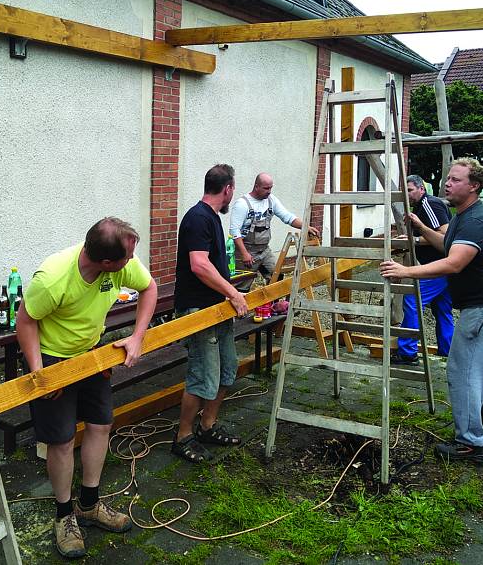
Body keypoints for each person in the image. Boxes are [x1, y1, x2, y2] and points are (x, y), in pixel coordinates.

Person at [16, 218, 157, 559]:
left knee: (100, 424)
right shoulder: (52, 279)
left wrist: (138, 336)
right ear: (107, 262)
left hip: (92, 354)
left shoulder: (120, 265)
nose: (133, 261)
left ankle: (90, 505)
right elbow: (25, 320)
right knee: (62, 440)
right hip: (53, 358)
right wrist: (39, 372)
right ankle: (64, 516)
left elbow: (150, 288)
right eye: (128, 256)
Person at [380, 158, 483, 464]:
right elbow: (447, 244)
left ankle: (470, 443)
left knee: (463, 369)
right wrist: (422, 228)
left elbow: (454, 262)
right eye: (448, 179)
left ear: (474, 186)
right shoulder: (463, 217)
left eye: (455, 180)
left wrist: (406, 270)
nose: (447, 184)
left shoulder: (476, 221)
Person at [172, 164, 248, 464]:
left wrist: (229, 295)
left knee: (228, 369)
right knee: (203, 375)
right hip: (198, 310)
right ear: (227, 189)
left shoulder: (213, 219)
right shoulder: (197, 218)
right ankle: (183, 436)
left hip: (217, 309)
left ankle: (207, 425)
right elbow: (199, 265)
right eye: (233, 189)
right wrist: (234, 293)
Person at [391, 174, 455, 364]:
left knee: (412, 301)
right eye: (405, 190)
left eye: (410, 190)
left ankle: (407, 353)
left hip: (440, 267)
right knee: (442, 309)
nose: (407, 194)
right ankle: (448, 351)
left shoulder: (430, 204)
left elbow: (445, 236)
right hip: (445, 267)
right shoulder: (420, 207)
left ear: (422, 189)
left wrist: (416, 240)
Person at [228, 172, 319, 290]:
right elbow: (234, 232)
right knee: (241, 286)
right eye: (266, 188)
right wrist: (245, 254)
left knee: (277, 276)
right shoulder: (242, 204)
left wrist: (306, 227)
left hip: (265, 251)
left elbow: (288, 217)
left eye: (271, 188)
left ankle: (272, 306)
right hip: (246, 251)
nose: (269, 191)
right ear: (256, 186)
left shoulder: (271, 200)